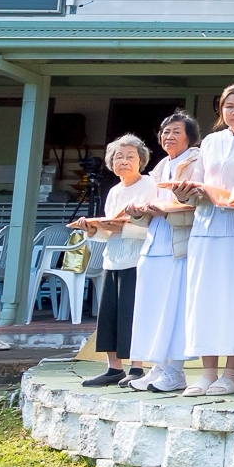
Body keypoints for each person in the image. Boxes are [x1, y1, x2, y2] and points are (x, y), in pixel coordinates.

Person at [179, 84, 234, 395]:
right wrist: (187, 192)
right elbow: (198, 181)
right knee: (204, 297)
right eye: (229, 106)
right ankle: (207, 373)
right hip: (205, 225)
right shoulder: (211, 142)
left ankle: (231, 373)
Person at [131, 112, 201, 394]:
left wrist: (166, 209)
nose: (169, 137)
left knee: (175, 307)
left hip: (178, 242)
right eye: (165, 132)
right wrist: (139, 211)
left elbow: (197, 203)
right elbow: (151, 205)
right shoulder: (161, 165)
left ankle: (175, 371)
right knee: (153, 304)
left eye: (176, 132)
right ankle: (158, 366)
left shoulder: (196, 161)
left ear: (190, 137)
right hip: (154, 240)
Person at [79, 135, 155, 388]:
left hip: (137, 258)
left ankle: (137, 367)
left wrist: (122, 228)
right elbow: (108, 231)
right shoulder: (113, 191)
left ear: (141, 160)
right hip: (112, 259)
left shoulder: (149, 185)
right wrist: (92, 229)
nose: (124, 161)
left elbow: (154, 227)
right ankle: (114, 368)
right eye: (118, 157)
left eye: (130, 156)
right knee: (109, 314)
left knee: (132, 313)